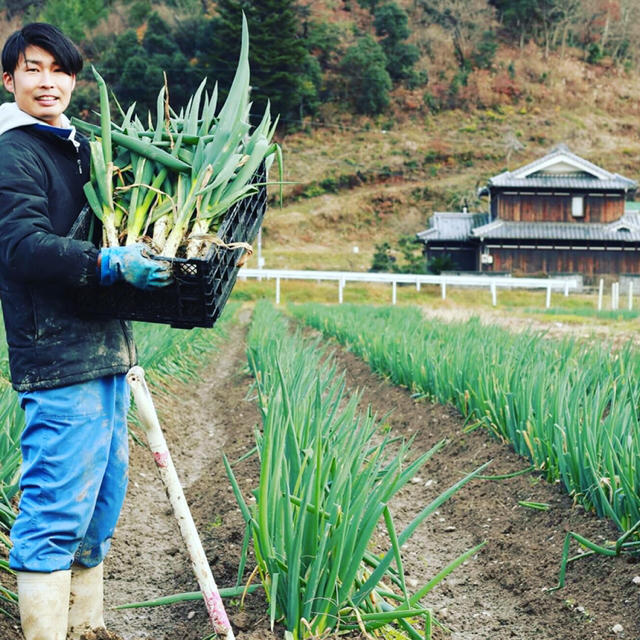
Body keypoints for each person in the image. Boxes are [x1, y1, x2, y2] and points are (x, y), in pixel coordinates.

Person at [0, 23, 171, 640]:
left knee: (99, 509)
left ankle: (88, 627)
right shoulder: (12, 150)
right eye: (33, 69)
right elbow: (18, 246)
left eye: (60, 69)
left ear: (74, 77)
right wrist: (104, 261)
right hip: (55, 351)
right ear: (9, 78)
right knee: (55, 507)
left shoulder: (77, 146)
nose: (49, 82)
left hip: (105, 348)